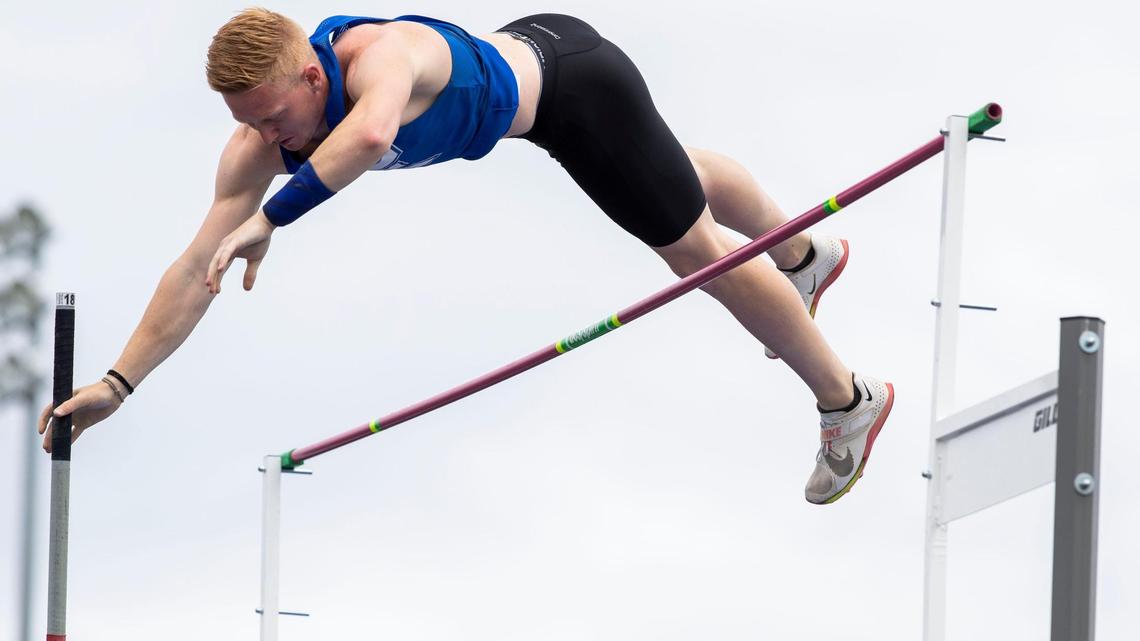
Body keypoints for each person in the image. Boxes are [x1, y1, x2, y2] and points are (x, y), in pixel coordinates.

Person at [39, 9, 894, 504]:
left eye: (272, 116)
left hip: (579, 92)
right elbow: (198, 267)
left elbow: (368, 136)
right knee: (673, 178)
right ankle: (803, 253)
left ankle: (847, 397)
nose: (266, 137)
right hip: (547, 81)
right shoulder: (256, 146)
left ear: (311, 78)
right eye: (247, 123)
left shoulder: (380, 57)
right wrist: (119, 382)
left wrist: (276, 218)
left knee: (694, 250)